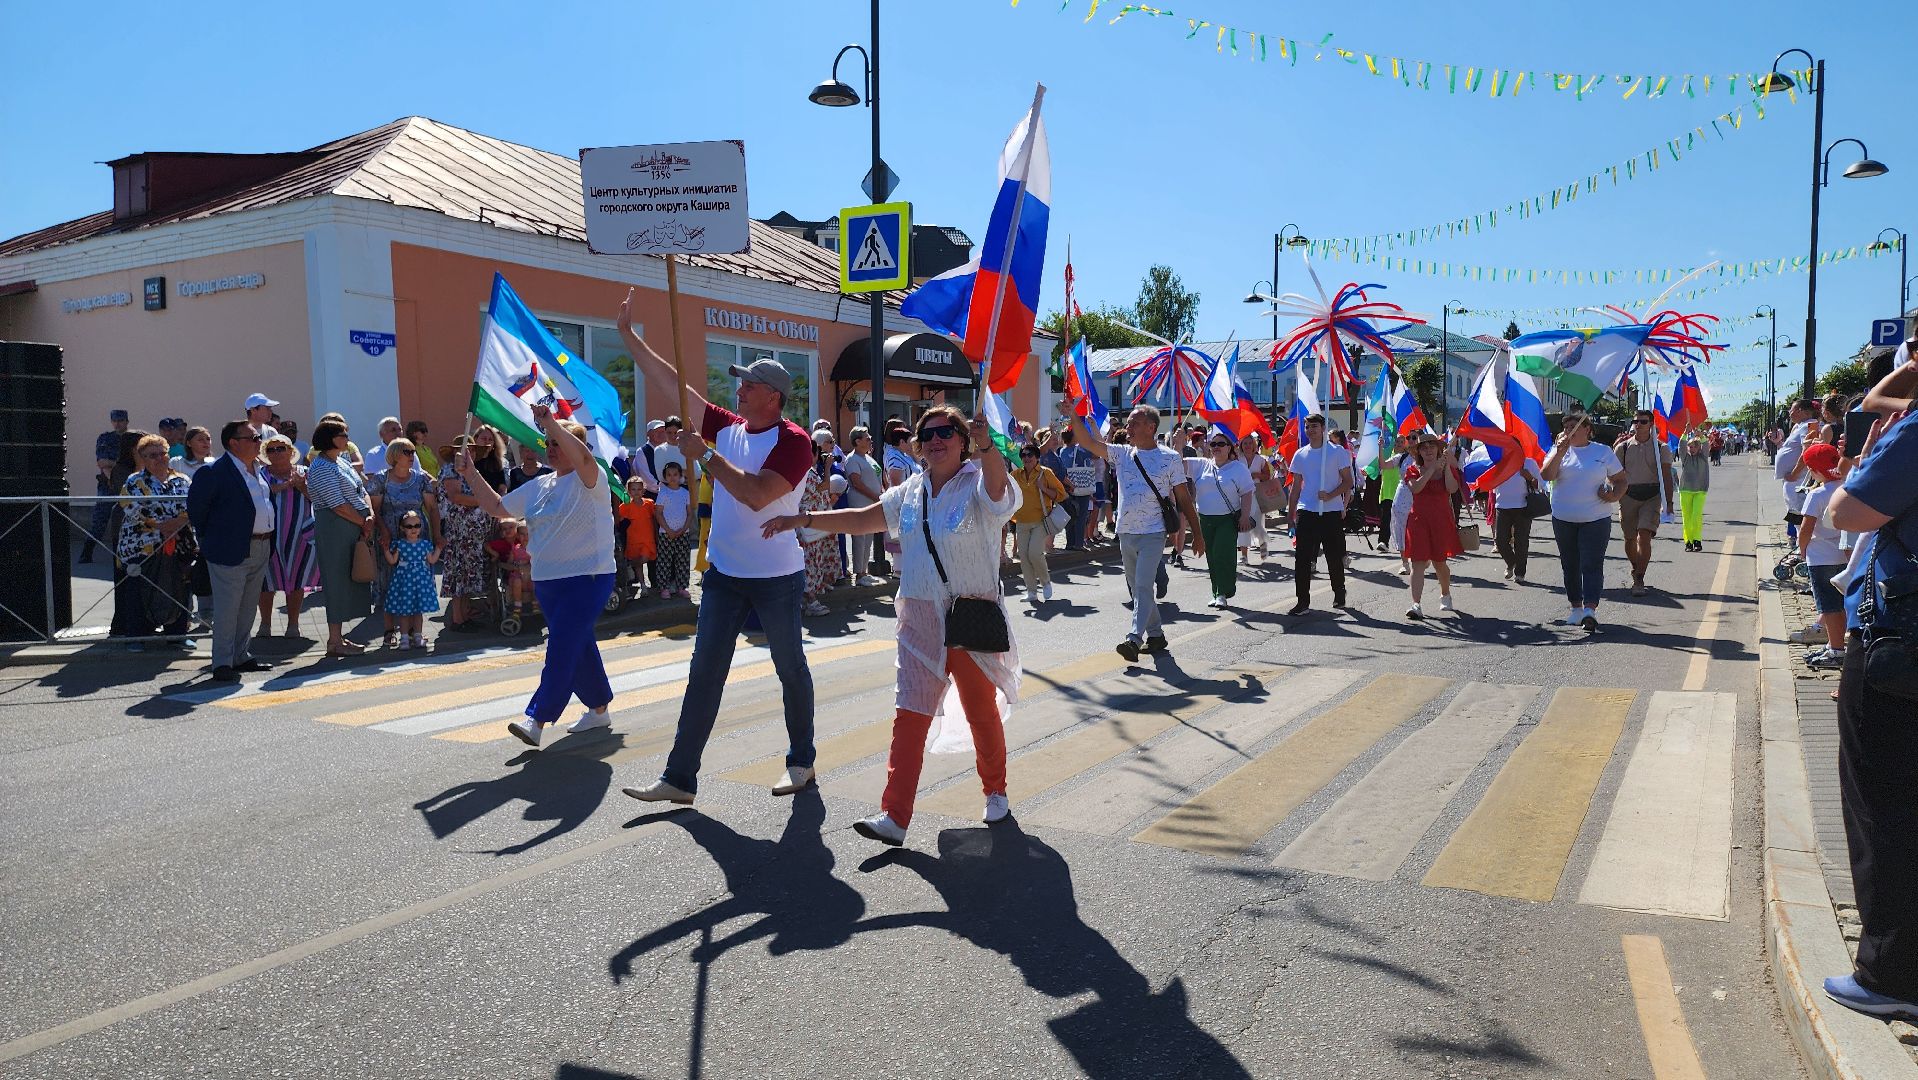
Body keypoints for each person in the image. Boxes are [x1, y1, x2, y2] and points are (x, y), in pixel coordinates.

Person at [758, 406, 1019, 846]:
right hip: (918, 617)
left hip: (969, 618)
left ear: (963, 439)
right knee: (909, 717)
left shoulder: (979, 482)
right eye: (928, 434)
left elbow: (999, 493)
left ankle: (996, 790)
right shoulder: (911, 492)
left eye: (946, 433)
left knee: (980, 711)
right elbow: (864, 519)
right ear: (917, 445)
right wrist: (803, 521)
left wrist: (988, 445)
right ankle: (895, 816)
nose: (937, 441)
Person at [614, 290, 817, 805]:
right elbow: (672, 384)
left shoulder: (794, 441)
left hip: (776, 579)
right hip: (725, 575)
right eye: (740, 384)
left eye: (747, 384)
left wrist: (705, 457)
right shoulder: (728, 426)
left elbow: (754, 495)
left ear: (772, 395)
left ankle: (801, 761)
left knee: (789, 668)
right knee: (703, 675)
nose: (739, 391)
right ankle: (679, 779)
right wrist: (629, 340)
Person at [1822, 387, 1918, 1021]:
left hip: (1900, 644)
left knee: (1881, 799)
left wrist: (1890, 425)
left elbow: (1847, 512)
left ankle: (1890, 972)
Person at [451, 407, 619, 745]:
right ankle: (599, 710)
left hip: (588, 578)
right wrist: (470, 475)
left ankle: (537, 718)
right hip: (548, 582)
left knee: (560, 646)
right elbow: (499, 507)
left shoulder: (592, 477)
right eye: (548, 443)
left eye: (557, 443)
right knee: (577, 644)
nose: (550, 447)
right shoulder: (540, 485)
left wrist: (552, 424)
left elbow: (583, 458)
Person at [1065, 403, 1201, 662]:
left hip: (1154, 533)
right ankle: (1157, 635)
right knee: (1138, 589)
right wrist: (1073, 415)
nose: (1128, 427)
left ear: (1151, 428)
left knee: (1142, 585)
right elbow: (1089, 442)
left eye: (1134, 423)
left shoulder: (1170, 458)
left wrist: (1198, 533)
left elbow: (1182, 497)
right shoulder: (1122, 453)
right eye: (1128, 423)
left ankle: (1134, 639)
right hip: (1125, 532)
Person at [186, 421, 280, 681]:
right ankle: (222, 663)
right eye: (253, 437)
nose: (258, 440)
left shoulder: (258, 470)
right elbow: (197, 511)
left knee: (248, 607)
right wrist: (212, 542)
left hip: (261, 545)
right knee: (228, 609)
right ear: (233, 443)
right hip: (229, 549)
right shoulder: (213, 472)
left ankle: (240, 656)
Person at [1542, 414, 1626, 631]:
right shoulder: (1559, 451)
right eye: (1566, 427)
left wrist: (1613, 496)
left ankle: (1590, 609)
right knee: (1569, 563)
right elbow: (1546, 475)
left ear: (1588, 429)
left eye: (1575, 426)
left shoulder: (1602, 452)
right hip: (1563, 518)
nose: (1569, 430)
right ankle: (1576, 608)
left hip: (1596, 518)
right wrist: (1559, 452)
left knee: (1591, 563)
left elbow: (1621, 480)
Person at [113, 433, 196, 647]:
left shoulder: (182, 480)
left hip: (177, 543)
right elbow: (132, 508)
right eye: (152, 455)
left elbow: (191, 506)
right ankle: (136, 637)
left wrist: (176, 524)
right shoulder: (135, 481)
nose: (159, 458)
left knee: (179, 588)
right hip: (141, 545)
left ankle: (177, 634)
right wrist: (160, 525)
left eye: (162, 453)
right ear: (142, 458)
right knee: (138, 591)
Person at [305, 419, 375, 657]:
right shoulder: (321, 467)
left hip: (353, 525)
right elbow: (337, 505)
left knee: (351, 579)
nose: (347, 438)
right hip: (335, 528)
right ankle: (335, 641)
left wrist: (370, 515)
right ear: (329, 439)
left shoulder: (342, 462)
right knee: (337, 581)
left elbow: (362, 490)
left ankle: (340, 638)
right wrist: (363, 521)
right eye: (342, 435)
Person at [367, 437, 441, 648]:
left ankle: (413, 633)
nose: (412, 455)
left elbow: (433, 508)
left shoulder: (421, 479)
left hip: (417, 535)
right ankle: (389, 631)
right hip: (389, 536)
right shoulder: (381, 480)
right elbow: (375, 509)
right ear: (394, 455)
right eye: (407, 452)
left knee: (417, 584)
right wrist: (383, 531)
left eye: (412, 452)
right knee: (390, 585)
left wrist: (436, 535)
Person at [1285, 415, 1355, 617]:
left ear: (1323, 428)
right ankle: (1302, 601)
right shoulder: (1300, 454)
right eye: (1307, 427)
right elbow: (1295, 487)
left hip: (1330, 511)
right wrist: (1291, 514)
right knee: (1302, 558)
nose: (1310, 430)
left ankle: (1339, 592)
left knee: (1333, 556)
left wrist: (1331, 495)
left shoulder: (1337, 452)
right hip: (1307, 510)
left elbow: (1348, 481)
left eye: (1314, 426)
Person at [440, 426, 505, 631]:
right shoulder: (451, 469)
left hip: (473, 533)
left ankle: (465, 614)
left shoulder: (472, 471)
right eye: (468, 450)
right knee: (460, 575)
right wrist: (484, 501)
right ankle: (458, 619)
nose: (472, 453)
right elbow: (456, 496)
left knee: (469, 574)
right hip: (461, 531)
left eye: (474, 450)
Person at [257, 434, 320, 638]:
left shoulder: (306, 473)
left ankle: (293, 624)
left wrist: (301, 486)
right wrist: (283, 486)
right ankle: (265, 624)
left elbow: (319, 500)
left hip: (299, 534)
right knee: (266, 582)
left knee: (296, 579)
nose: (276, 453)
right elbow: (258, 496)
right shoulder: (260, 475)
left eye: (281, 448)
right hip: (268, 535)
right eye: (271, 450)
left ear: (291, 452)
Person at [1185, 430, 1256, 609]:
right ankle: (1216, 591)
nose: (1216, 447)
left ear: (1230, 448)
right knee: (1211, 556)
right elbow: (1176, 464)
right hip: (1205, 519)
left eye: (1221, 444)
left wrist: (1245, 516)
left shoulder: (1238, 468)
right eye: (1213, 444)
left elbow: (1247, 493)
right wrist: (1179, 444)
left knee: (1222, 554)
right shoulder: (1201, 465)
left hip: (1227, 519)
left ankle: (1223, 592)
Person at [1613, 409, 1678, 596]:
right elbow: (1614, 474)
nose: (1638, 425)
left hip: (1651, 496)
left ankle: (1640, 577)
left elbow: (1666, 476)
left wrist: (1669, 502)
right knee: (1630, 538)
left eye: (1642, 421)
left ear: (1651, 424)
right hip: (1628, 495)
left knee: (1644, 535)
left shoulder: (1661, 448)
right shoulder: (1622, 448)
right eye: (1636, 421)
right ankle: (1636, 566)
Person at [1795, 443, 1849, 667]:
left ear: (1815, 470)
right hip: (1843, 555)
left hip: (1820, 557)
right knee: (1841, 604)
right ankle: (1834, 644)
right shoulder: (1847, 487)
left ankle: (1836, 649)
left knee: (1828, 607)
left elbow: (1806, 527)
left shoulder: (1817, 494)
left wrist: (1802, 549)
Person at [1400, 436, 1464, 619]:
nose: (1428, 450)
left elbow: (1452, 489)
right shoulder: (1412, 469)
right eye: (1424, 448)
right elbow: (1416, 488)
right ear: (1419, 452)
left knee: (1439, 563)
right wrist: (1430, 470)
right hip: (1418, 521)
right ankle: (1416, 605)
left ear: (1438, 450)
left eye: (1432, 447)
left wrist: (1444, 469)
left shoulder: (1447, 468)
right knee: (1417, 563)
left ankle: (1445, 594)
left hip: (1440, 521)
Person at [1010, 441, 1068, 603]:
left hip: (1041, 521)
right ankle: (1031, 591)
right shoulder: (1016, 475)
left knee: (1034, 553)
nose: (1026, 458)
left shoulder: (1045, 473)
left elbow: (1061, 495)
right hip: (1021, 521)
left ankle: (1045, 582)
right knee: (1024, 556)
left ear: (1037, 457)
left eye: (1030, 455)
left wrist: (1043, 488)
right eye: (1023, 455)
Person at [381, 510, 440, 650]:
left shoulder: (425, 544)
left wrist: (438, 549)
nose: (414, 529)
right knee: (404, 611)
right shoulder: (400, 544)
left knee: (418, 611)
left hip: (420, 580)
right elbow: (392, 560)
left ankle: (418, 635)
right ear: (402, 528)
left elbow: (431, 560)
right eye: (409, 526)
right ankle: (405, 637)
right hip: (404, 580)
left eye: (417, 525)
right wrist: (385, 550)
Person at [81, 409, 130, 563]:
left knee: (129, 520)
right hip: (107, 485)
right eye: (115, 420)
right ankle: (87, 552)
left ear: (127, 421)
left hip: (129, 485)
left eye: (121, 420)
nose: (117, 423)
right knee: (99, 520)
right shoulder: (105, 438)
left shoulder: (133, 439)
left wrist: (114, 465)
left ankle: (125, 554)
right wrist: (117, 472)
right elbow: (102, 463)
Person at [799, 432, 840, 617]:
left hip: (811, 522)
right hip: (810, 523)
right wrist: (829, 467)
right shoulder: (806, 472)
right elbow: (823, 487)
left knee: (813, 560)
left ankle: (807, 598)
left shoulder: (806, 471)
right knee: (811, 561)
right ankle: (811, 600)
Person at [1490, 452, 1546, 582]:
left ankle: (1520, 573)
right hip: (1502, 506)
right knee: (1500, 540)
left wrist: (1529, 477)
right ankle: (1511, 562)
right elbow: (1492, 486)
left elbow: (1541, 485)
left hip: (1523, 507)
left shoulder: (1529, 463)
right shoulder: (1498, 463)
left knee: (1521, 541)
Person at [1775, 398, 1820, 546]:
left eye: (1793, 409)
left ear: (1802, 411)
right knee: (1794, 513)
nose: (1790, 412)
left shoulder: (1809, 425)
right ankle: (1800, 545)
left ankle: (1803, 547)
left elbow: (1806, 450)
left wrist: (1794, 473)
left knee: (1799, 513)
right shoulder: (1800, 426)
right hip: (1793, 480)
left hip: (1798, 480)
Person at [1044, 426, 1097, 552]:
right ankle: (1078, 543)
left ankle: (1070, 543)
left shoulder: (1062, 451)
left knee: (1070, 514)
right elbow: (1097, 455)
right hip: (1079, 486)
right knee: (1081, 516)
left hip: (1066, 487)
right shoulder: (1081, 450)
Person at [842, 426, 883, 584]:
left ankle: (864, 572)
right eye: (867, 438)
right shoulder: (852, 459)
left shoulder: (868, 458)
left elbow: (878, 478)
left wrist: (881, 494)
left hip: (872, 502)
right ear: (857, 441)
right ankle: (858, 573)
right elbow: (857, 483)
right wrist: (876, 497)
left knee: (868, 538)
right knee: (859, 538)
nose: (870, 440)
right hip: (860, 502)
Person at [654, 461, 694, 599]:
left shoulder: (685, 492)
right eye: (669, 475)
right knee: (664, 561)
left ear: (680, 476)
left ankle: (681, 587)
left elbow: (690, 513)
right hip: (666, 533)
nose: (672, 477)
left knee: (682, 561)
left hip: (683, 533)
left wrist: (684, 528)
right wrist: (668, 530)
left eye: (675, 474)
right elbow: (658, 513)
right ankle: (663, 588)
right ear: (665, 476)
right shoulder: (663, 492)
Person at [1236, 433, 1276, 563]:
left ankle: (1263, 543)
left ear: (1254, 445)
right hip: (1241, 497)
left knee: (1258, 523)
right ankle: (1244, 556)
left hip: (1257, 496)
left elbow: (1268, 476)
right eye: (1245, 443)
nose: (1247, 446)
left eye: (1250, 443)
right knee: (1242, 523)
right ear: (1241, 445)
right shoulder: (1237, 459)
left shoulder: (1260, 460)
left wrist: (1256, 475)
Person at [1677, 432, 1711, 553]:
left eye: (1693, 447)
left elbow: (1706, 444)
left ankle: (1697, 540)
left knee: (1696, 516)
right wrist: (1685, 433)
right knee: (1686, 518)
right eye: (1689, 447)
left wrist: (1701, 435)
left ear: (1698, 447)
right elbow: (1681, 445)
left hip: (1700, 490)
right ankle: (1688, 542)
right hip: (1685, 490)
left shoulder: (1703, 456)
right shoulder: (1685, 457)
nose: (1691, 449)